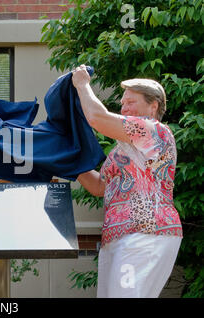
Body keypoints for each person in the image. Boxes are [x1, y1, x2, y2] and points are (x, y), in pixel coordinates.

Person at [72, 64, 182, 298]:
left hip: (145, 232)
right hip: (118, 237)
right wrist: (67, 161)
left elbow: (97, 118)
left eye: (131, 102)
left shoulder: (154, 131)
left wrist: (82, 84)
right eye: (123, 103)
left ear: (153, 106)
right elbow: (99, 186)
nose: (123, 107)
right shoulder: (121, 150)